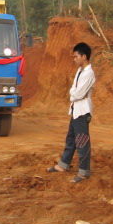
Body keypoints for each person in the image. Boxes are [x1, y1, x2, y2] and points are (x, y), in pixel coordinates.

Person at [47, 42, 96, 183]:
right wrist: (74, 93)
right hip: (76, 109)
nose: (74, 59)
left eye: (76, 57)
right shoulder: (80, 71)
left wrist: (73, 93)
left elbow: (77, 94)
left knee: (82, 141)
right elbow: (74, 91)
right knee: (71, 138)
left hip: (82, 111)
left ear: (84, 56)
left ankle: (84, 172)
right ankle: (63, 165)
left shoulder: (89, 73)